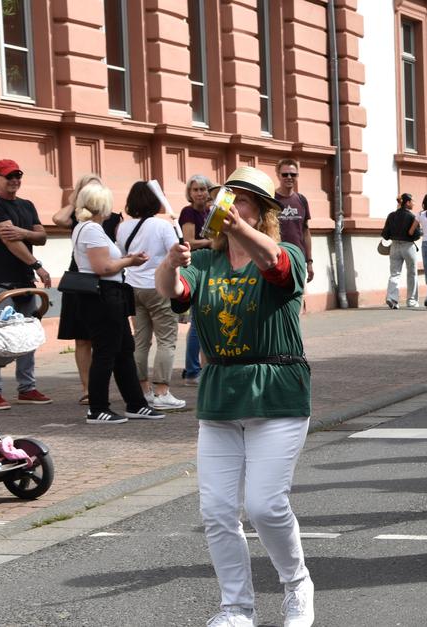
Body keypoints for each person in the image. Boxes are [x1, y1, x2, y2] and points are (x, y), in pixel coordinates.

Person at [156, 166, 315, 627]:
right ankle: (236, 607)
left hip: (276, 392)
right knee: (218, 511)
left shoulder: (286, 251)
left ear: (263, 212)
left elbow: (275, 266)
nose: (229, 206)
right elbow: (174, 295)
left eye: (242, 200)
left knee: (265, 505)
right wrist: (171, 263)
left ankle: (296, 584)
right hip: (221, 394)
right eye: (227, 198)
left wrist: (236, 225)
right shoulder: (206, 262)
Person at [69, 184, 164, 425]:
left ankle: (136, 404)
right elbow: (103, 268)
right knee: (106, 352)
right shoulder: (91, 230)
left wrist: (124, 261)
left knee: (124, 349)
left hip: (108, 295)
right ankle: (98, 408)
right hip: (103, 296)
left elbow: (102, 264)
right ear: (101, 204)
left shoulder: (86, 228)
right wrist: (130, 261)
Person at [118, 181, 186, 411]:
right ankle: (162, 392)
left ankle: (143, 390)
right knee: (166, 339)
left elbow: (122, 255)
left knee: (140, 339)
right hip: (158, 287)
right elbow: (176, 254)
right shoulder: (163, 226)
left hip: (132, 287)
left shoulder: (124, 227)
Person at [0, 159, 52, 410]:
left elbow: (41, 236)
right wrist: (37, 265)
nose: (15, 180)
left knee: (27, 336)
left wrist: (24, 232)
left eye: (18, 175)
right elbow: (9, 240)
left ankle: (27, 388)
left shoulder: (27, 205)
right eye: (9, 176)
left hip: (24, 281)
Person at [53, 173, 113, 405]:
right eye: (88, 189)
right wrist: (74, 200)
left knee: (105, 339)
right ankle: (87, 388)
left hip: (105, 278)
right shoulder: (78, 219)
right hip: (79, 280)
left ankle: (101, 386)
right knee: (81, 339)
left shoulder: (111, 217)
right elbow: (58, 219)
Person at [179, 174, 215, 385]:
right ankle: (192, 371)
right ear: (190, 193)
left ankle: (204, 367)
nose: (200, 193)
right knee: (197, 321)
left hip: (212, 265)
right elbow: (189, 241)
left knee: (206, 318)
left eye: (203, 189)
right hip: (196, 266)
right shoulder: (188, 212)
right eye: (196, 190)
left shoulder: (212, 212)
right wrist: (212, 240)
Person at [274, 158, 314, 282]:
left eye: (293, 174)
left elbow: (305, 232)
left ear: (297, 176)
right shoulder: (271, 199)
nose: (289, 177)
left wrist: (309, 262)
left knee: (300, 294)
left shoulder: (302, 200)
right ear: (278, 175)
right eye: (285, 174)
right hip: (277, 257)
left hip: (298, 258)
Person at [382, 192, 421, 309]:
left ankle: (392, 298)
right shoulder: (412, 217)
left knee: (395, 273)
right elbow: (416, 235)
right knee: (412, 273)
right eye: (412, 201)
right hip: (408, 246)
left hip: (394, 246)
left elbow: (385, 234)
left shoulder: (391, 215)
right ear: (407, 203)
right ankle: (411, 301)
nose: (413, 203)